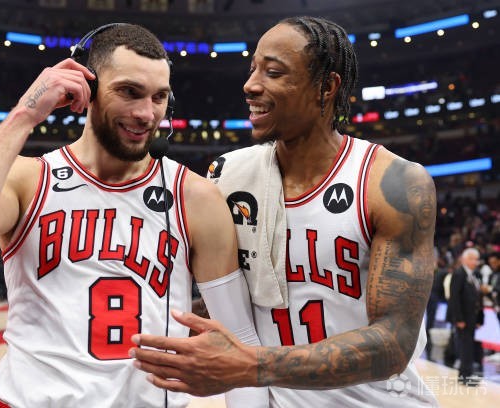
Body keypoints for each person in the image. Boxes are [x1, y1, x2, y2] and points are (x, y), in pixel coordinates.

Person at [0, 23, 264, 408]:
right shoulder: (29, 180)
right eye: (129, 92)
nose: (147, 113)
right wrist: (24, 115)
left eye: (159, 97)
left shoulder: (195, 197)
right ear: (87, 88)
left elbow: (239, 340)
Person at [131, 16, 439, 407]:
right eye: (252, 69)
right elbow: (228, 304)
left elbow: (394, 342)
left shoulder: (392, 183)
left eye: (273, 72)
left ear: (327, 87)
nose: (250, 85)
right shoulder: (228, 176)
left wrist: (251, 365)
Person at [448, 247, 484, 385]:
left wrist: (479, 318)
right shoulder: (459, 273)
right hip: (463, 318)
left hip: (472, 317)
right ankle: (464, 376)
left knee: (469, 347)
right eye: (472, 259)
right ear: (464, 259)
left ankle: (467, 374)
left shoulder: (474, 275)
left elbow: (477, 298)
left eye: (477, 259)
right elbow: (454, 298)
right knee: (465, 347)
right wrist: (459, 319)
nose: (475, 262)